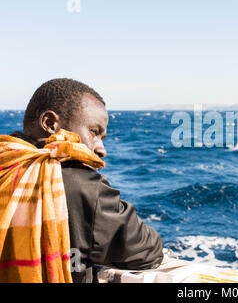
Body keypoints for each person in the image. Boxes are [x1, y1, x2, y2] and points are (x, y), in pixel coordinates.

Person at [2, 78, 164, 282]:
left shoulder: (5, 162)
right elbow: (147, 251)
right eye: (93, 132)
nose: (101, 149)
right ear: (50, 123)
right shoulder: (79, 183)